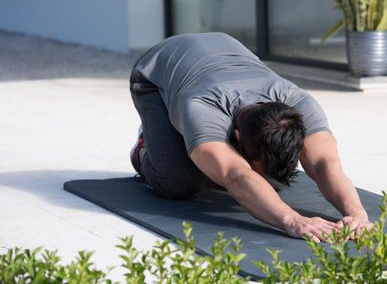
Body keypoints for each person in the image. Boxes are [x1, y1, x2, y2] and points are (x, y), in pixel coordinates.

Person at [129, 32, 372, 242]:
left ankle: (205, 152)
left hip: (225, 50)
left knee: (270, 181)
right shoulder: (202, 108)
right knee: (179, 183)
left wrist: (357, 215)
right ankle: (146, 146)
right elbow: (236, 175)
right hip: (156, 72)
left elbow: (323, 164)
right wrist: (293, 221)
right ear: (235, 136)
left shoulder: (300, 104)